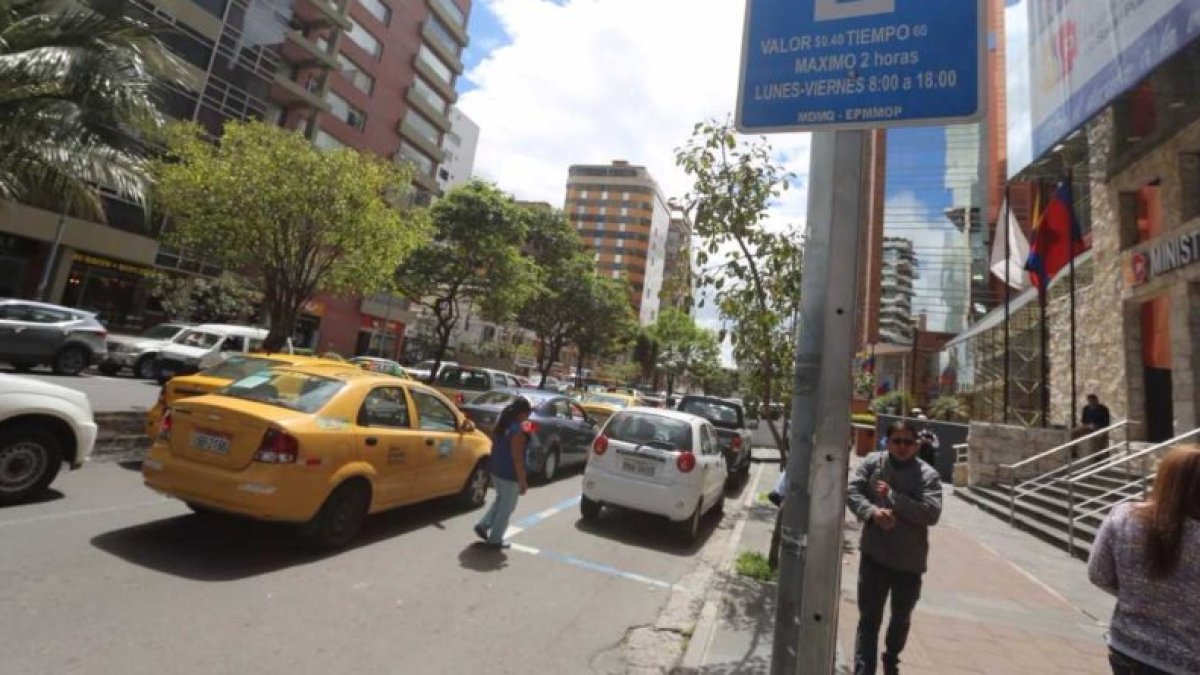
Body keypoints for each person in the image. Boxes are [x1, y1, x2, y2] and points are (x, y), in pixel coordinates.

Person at [1087, 445, 1200, 675]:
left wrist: (1137, 594)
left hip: (1127, 647)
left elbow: (1099, 574)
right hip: (1186, 662)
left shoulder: (1124, 516)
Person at [847, 420, 943, 675]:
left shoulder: (928, 476)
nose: (902, 446)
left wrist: (894, 499)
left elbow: (931, 513)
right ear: (887, 442)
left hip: (909, 564)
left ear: (916, 445)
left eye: (907, 442)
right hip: (874, 556)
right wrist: (872, 512)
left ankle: (891, 658)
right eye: (896, 441)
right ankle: (864, 669)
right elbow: (852, 491)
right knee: (869, 620)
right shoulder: (873, 463)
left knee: (900, 620)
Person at [473, 397, 532, 549]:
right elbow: (517, 457)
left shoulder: (503, 423)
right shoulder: (517, 430)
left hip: (496, 469)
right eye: (528, 414)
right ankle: (495, 539)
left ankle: (484, 524)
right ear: (522, 414)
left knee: (500, 502)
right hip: (509, 474)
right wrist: (522, 481)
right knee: (507, 508)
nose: (529, 418)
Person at [1082, 394, 1113, 461]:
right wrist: (1089, 425)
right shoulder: (1086, 409)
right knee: (1075, 432)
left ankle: (1097, 456)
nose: (1091, 403)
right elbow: (1083, 420)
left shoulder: (1103, 409)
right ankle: (1074, 451)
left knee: (1098, 437)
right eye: (1089, 401)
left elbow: (1106, 422)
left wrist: (1097, 426)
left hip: (1100, 428)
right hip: (1088, 427)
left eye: (1093, 401)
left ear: (1096, 401)